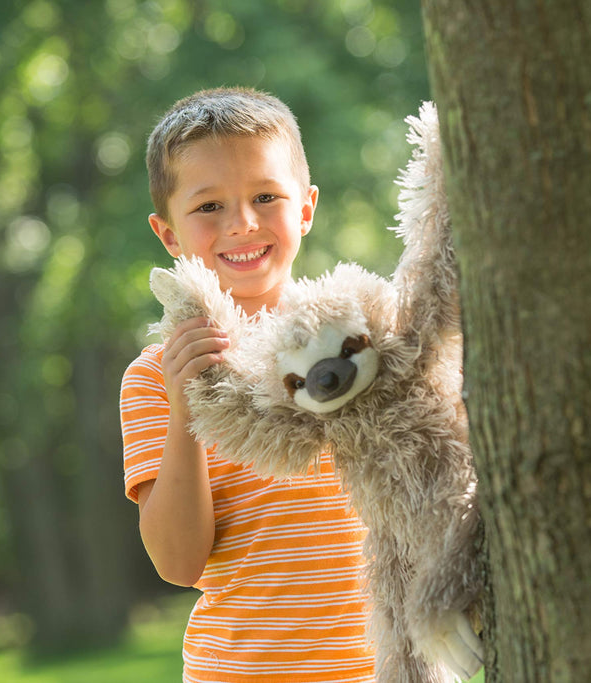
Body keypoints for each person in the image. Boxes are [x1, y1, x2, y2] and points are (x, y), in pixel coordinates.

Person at [120, 87, 375, 682]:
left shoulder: (360, 344)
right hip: (241, 671)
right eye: (209, 207)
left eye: (266, 196)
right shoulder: (155, 376)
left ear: (306, 208)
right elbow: (179, 563)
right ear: (168, 234)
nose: (242, 224)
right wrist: (187, 407)